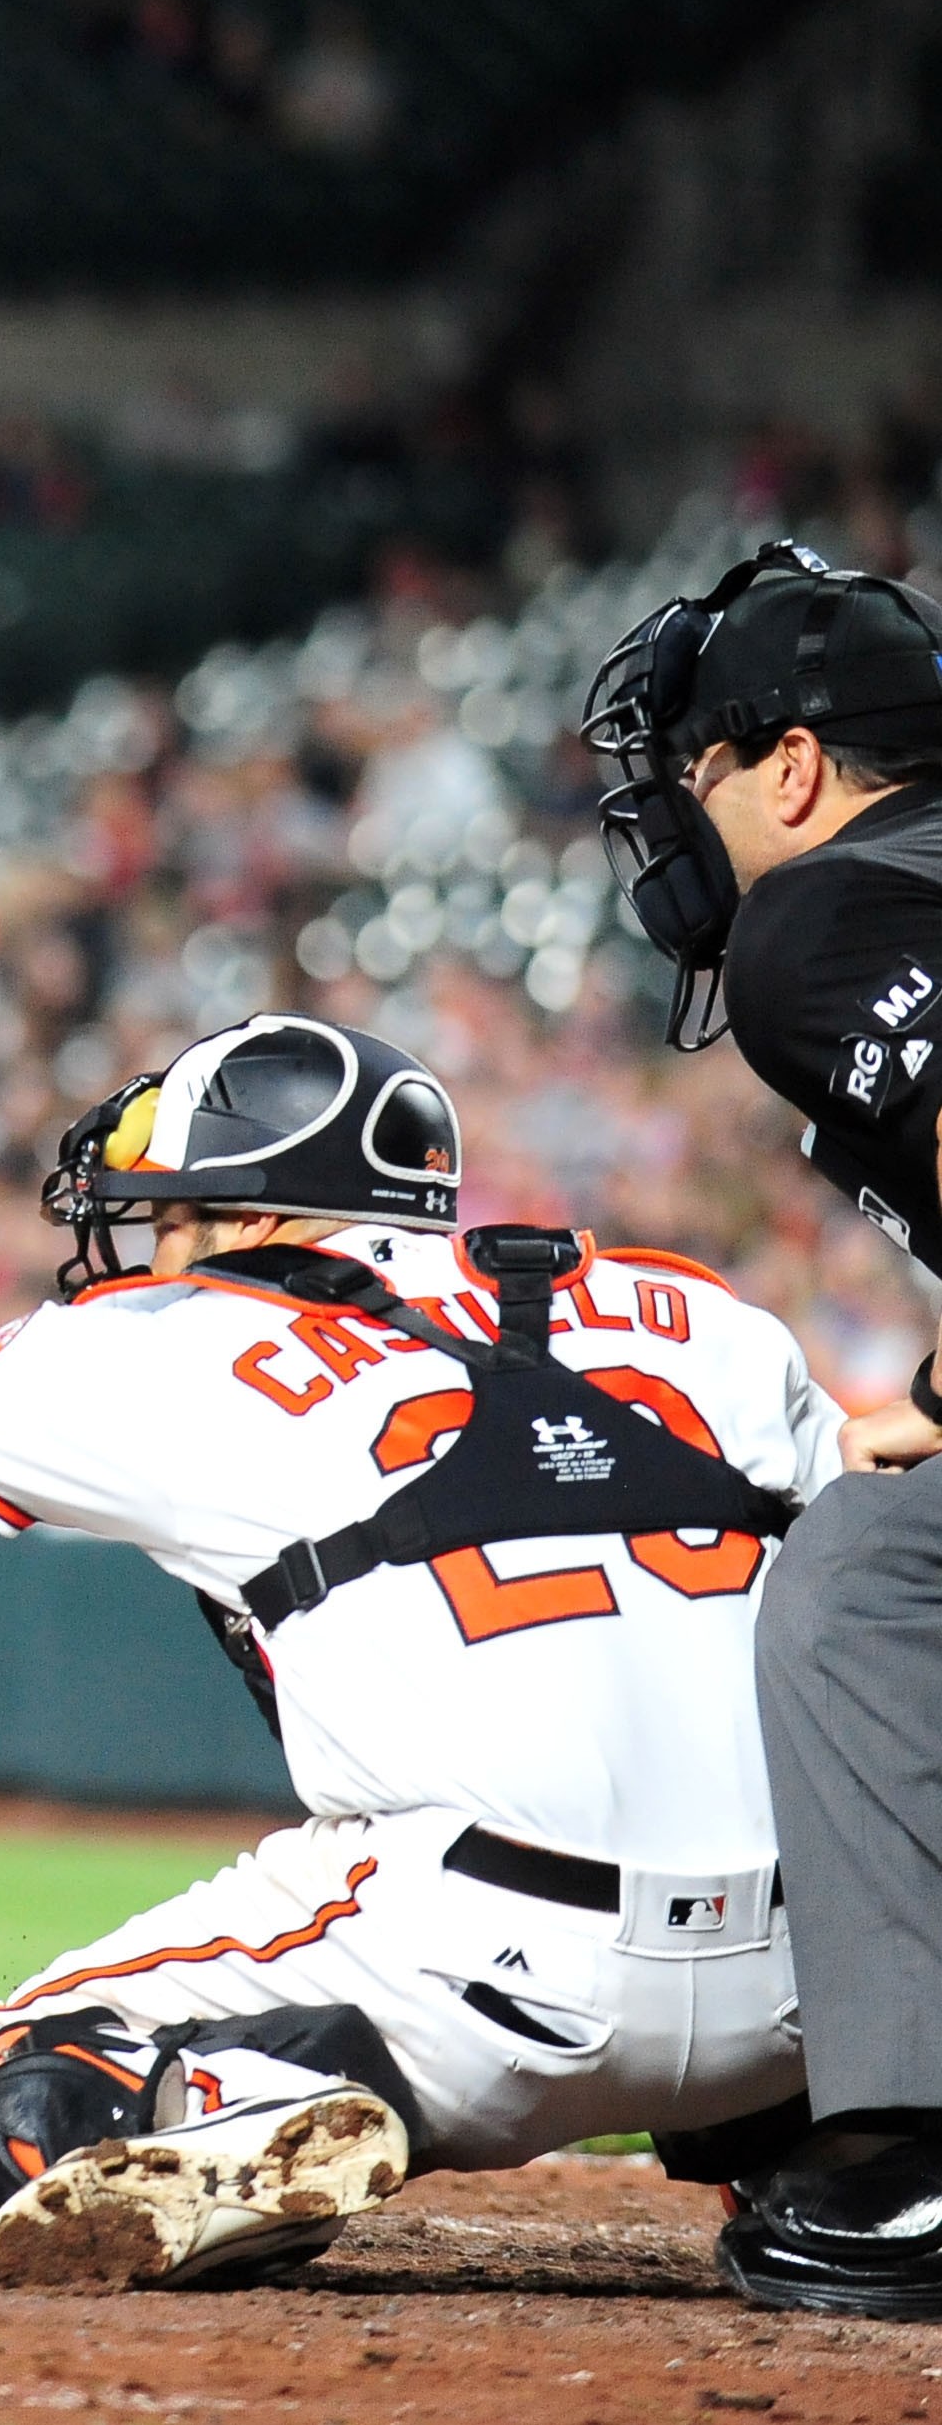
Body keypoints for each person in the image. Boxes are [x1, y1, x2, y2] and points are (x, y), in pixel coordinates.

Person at [0, 1015, 834, 2288]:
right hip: (816, 1970)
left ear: (247, 1215)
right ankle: (844, 2160)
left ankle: (257, 2096)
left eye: (168, 1215)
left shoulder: (175, 1339)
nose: (145, 1248)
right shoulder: (704, 1314)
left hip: (470, 1966)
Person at [588, 539, 942, 2315]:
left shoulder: (832, 909)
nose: (680, 820)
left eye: (702, 774)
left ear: (792, 765)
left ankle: (913, 2160)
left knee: (866, 1574)